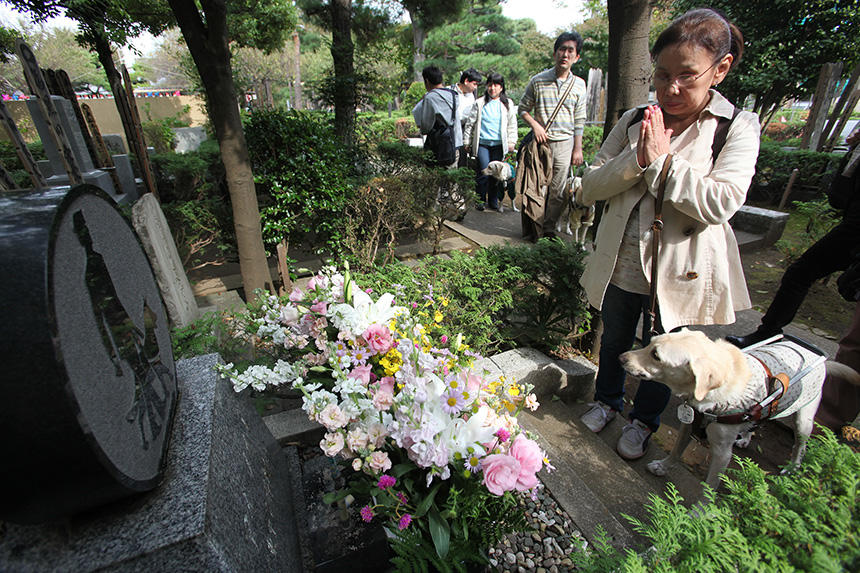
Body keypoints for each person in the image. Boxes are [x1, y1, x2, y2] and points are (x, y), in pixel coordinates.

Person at [577, 8, 761, 460]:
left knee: (668, 356)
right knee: (617, 340)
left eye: (687, 76)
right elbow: (590, 184)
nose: (670, 88)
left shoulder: (736, 128)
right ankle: (607, 401)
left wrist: (661, 164)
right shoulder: (635, 117)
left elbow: (720, 202)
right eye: (661, 75)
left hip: (682, 273)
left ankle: (643, 423)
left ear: (720, 69)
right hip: (621, 261)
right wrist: (637, 161)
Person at [727, 128, 860, 348]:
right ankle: (768, 331)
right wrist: (852, 151)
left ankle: (768, 332)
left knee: (801, 274)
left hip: (855, 228)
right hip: (852, 225)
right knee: (799, 273)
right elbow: (839, 198)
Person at [519, 31, 587, 236]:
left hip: (565, 144)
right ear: (555, 52)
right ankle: (533, 229)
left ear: (577, 57)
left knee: (557, 192)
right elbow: (522, 108)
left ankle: (547, 229)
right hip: (540, 144)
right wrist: (535, 126)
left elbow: (580, 119)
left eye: (570, 50)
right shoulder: (538, 80)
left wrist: (578, 148)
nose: (565, 54)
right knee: (535, 188)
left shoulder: (579, 85)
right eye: (562, 49)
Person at [463, 73, 518, 211]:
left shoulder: (507, 104)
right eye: (490, 84)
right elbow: (470, 123)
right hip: (483, 144)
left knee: (496, 174)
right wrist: (467, 141)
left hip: (499, 145)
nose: (493, 88)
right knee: (484, 171)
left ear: (501, 87)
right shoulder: (480, 103)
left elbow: (512, 124)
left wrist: (512, 141)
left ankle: (493, 200)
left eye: (496, 85)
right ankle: (480, 199)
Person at [412, 65, 463, 168]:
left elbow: (426, 126)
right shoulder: (453, 95)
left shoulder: (430, 97)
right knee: (450, 178)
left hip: (438, 146)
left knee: (434, 178)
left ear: (427, 81)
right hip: (454, 144)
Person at [451, 68, 482, 167]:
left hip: (463, 131)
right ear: (466, 81)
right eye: (474, 84)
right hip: (451, 131)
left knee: (462, 160)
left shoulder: (471, 96)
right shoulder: (450, 91)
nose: (475, 87)